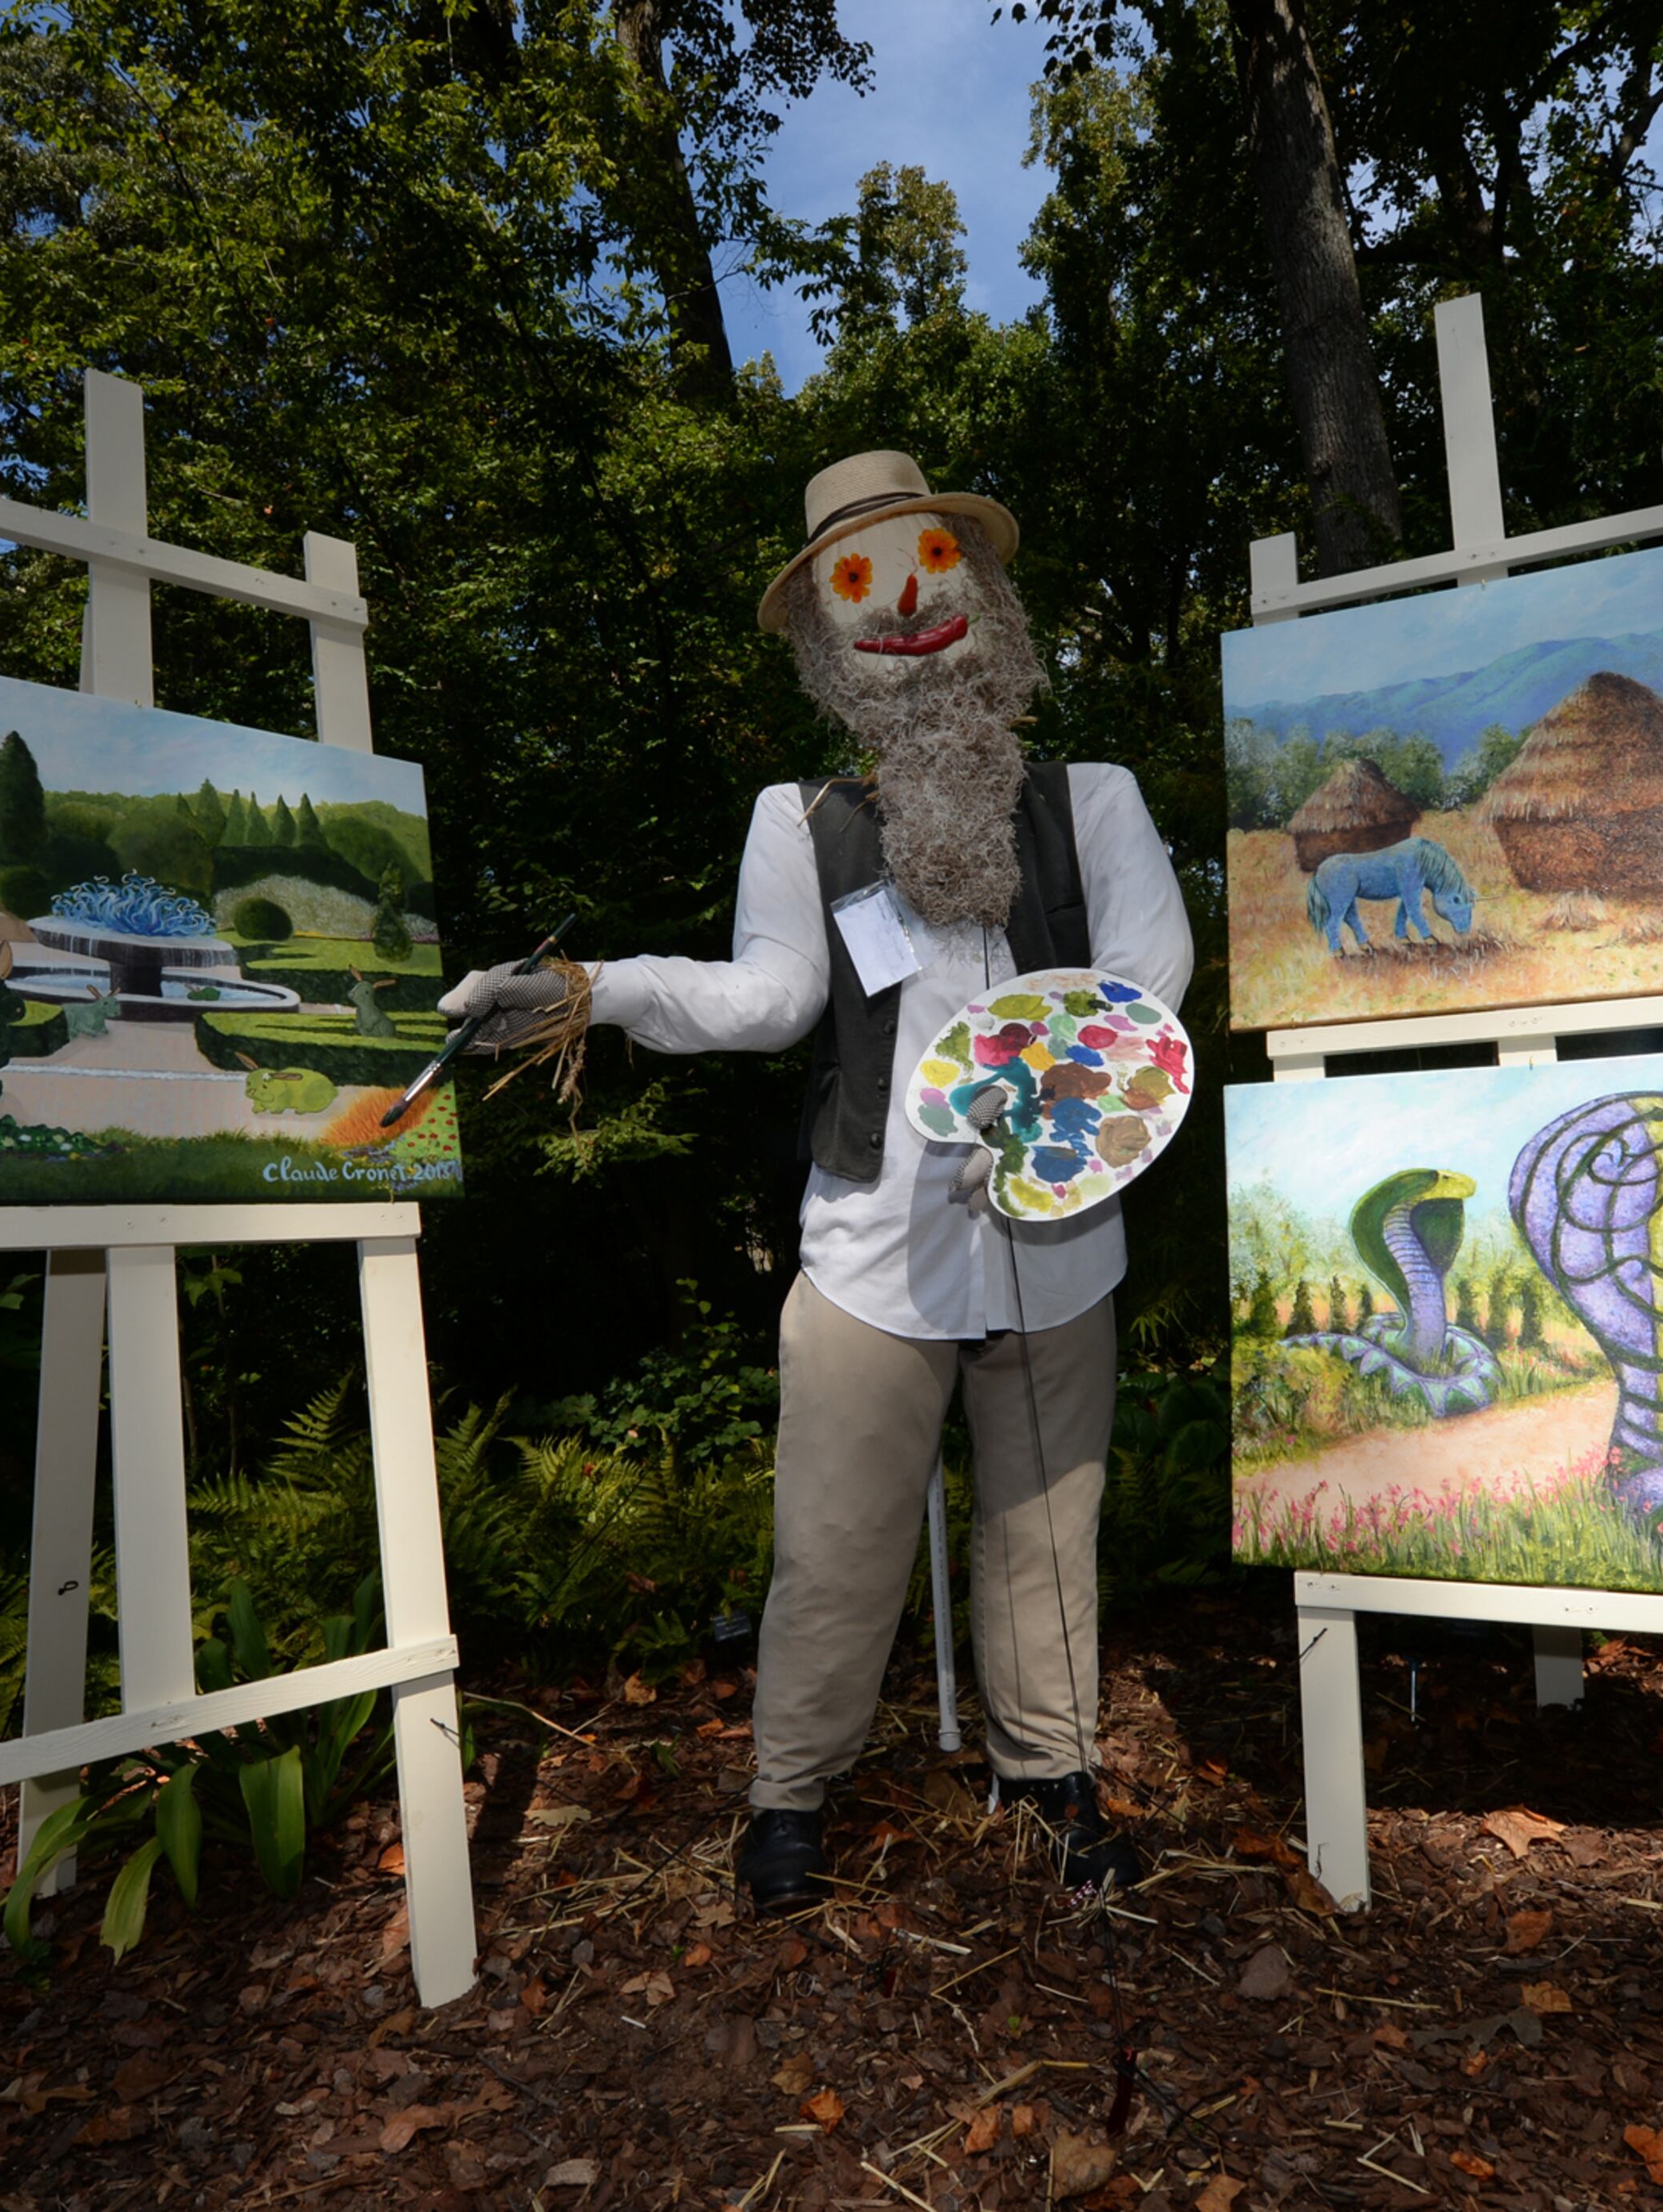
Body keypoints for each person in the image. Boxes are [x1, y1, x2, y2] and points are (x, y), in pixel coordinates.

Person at [440, 452, 1193, 1911]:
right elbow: (770, 996)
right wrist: (588, 991)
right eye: (858, 581)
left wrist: (1047, 1103)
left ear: (980, 587)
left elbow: (1151, 976)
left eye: (922, 564)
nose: (901, 600)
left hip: (1062, 1243)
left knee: (1049, 1534)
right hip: (871, 1253)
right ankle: (792, 1793)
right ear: (823, 639)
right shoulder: (799, 822)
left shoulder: (1094, 800)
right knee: (834, 1546)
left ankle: (1049, 1775)